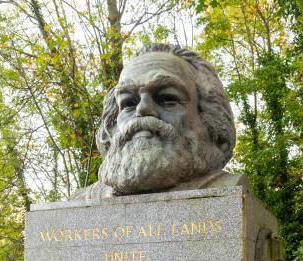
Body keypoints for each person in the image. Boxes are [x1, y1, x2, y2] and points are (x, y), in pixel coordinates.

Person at [72, 43, 246, 201]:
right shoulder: (82, 201)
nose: (142, 109)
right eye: (129, 103)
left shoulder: (228, 190)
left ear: (209, 120)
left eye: (167, 99)